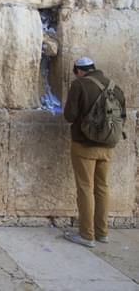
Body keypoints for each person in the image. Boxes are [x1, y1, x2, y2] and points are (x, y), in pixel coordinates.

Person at [63, 57, 126, 248]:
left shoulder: (79, 85)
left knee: (85, 188)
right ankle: (102, 232)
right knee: (102, 188)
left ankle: (86, 235)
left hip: (84, 145)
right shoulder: (115, 87)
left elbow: (70, 116)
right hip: (107, 146)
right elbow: (122, 116)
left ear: (79, 71)